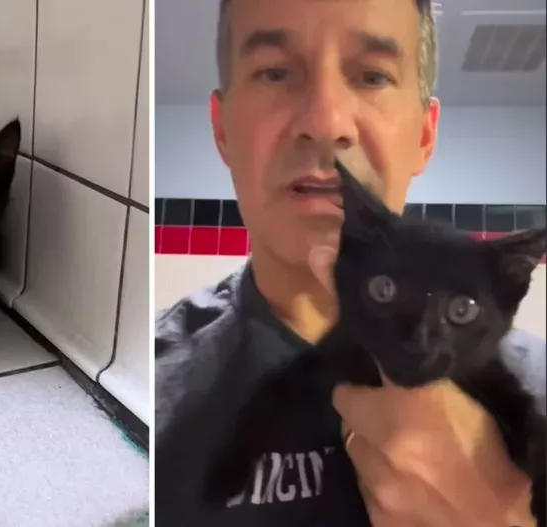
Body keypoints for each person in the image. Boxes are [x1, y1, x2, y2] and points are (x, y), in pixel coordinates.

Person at [154, 0, 546, 525]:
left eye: (372, 76)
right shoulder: (147, 393)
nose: (326, 123)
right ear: (222, 128)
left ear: (424, 135)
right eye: (275, 72)